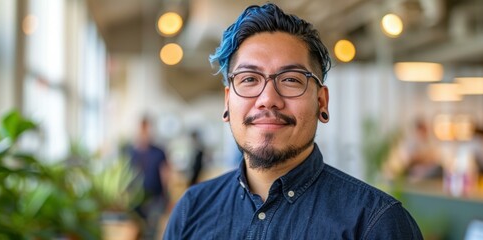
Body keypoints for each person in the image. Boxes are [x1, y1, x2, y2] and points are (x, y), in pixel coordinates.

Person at [164, 3, 422, 239]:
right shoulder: (191, 210)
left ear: (321, 101)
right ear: (227, 102)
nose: (268, 99)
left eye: (290, 80)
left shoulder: (374, 223)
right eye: (249, 79)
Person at [130, 116, 169, 239]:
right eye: (143, 129)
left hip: (155, 198)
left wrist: (167, 196)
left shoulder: (159, 152)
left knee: (151, 230)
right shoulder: (131, 152)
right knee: (137, 230)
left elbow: (165, 174)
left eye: (147, 129)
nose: (145, 133)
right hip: (135, 199)